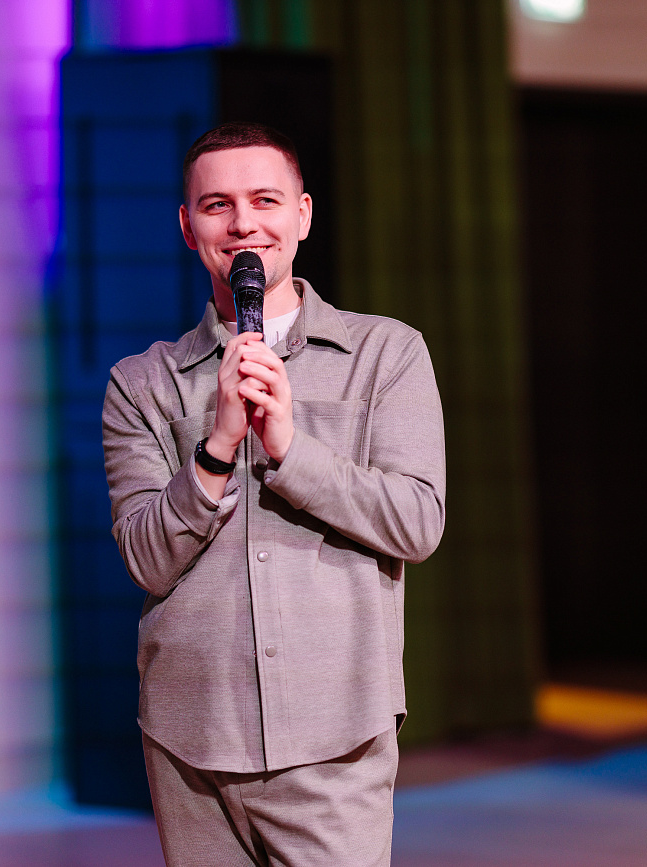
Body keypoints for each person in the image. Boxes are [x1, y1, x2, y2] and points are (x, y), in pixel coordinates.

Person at [101, 122, 447, 866]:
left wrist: (291, 448)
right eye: (217, 205)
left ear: (303, 214)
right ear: (188, 226)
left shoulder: (385, 354)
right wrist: (218, 446)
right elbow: (145, 559)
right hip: (190, 740)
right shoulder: (142, 383)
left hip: (335, 736)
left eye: (265, 200)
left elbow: (417, 522)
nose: (243, 223)